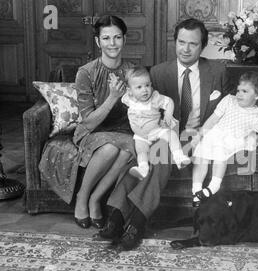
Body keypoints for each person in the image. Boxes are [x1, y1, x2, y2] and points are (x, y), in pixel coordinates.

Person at [95, 18, 230, 251]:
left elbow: (229, 109)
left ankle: (122, 218)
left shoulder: (217, 70)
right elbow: (144, 106)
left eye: (193, 44)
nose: (185, 49)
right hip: (165, 134)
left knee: (160, 151)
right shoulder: (158, 72)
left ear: (202, 46)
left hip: (201, 137)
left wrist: (201, 128)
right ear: (175, 42)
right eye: (181, 42)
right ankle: (129, 222)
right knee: (157, 153)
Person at [190, 72, 258, 207]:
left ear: (257, 95)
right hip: (215, 133)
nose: (239, 94)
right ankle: (196, 191)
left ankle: (213, 186)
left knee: (220, 153)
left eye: (244, 91)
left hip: (233, 139)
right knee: (201, 154)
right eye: (238, 90)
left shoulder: (255, 117)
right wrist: (200, 135)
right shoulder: (228, 100)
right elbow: (212, 119)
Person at [72, 15, 135, 229]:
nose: (112, 43)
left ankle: (95, 199)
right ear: (98, 42)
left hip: (124, 130)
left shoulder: (132, 71)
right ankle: (82, 197)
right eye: (106, 38)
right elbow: (88, 122)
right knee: (109, 148)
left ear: (124, 40)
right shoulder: (86, 73)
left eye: (117, 37)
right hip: (93, 131)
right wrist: (112, 97)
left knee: (128, 149)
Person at [122, 66, 190, 180]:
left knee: (171, 135)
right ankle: (143, 169)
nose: (145, 90)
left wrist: (168, 114)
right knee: (141, 152)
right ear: (130, 91)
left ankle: (179, 157)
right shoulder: (128, 99)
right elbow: (122, 93)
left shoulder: (154, 98)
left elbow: (169, 102)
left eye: (147, 85)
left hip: (156, 131)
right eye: (139, 87)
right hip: (140, 136)